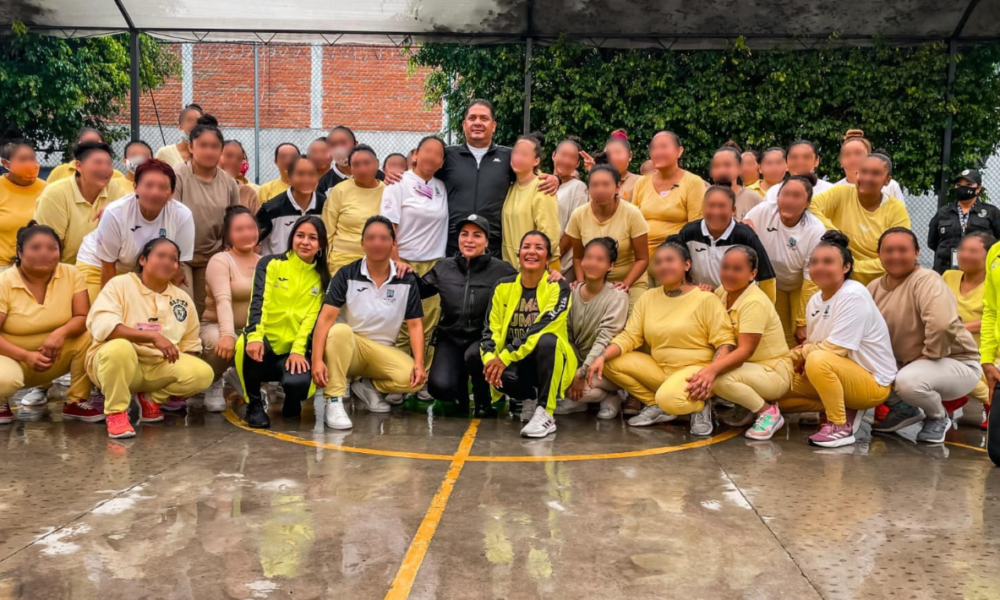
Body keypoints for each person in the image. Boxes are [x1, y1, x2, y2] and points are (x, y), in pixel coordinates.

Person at [588, 241, 735, 435]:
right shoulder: (648, 297)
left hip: (696, 374)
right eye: (658, 262)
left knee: (670, 395)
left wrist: (710, 374)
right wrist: (602, 356)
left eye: (670, 260)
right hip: (660, 370)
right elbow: (630, 336)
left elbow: (725, 343)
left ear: (686, 265)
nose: (663, 266)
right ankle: (657, 405)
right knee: (608, 361)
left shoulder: (705, 298)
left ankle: (700, 405)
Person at [776, 232, 897, 448]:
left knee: (818, 360)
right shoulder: (815, 300)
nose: (819, 267)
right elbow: (814, 345)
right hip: (838, 373)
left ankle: (839, 425)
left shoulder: (853, 294)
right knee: (775, 387)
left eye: (828, 262)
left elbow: (835, 349)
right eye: (814, 262)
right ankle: (832, 406)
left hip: (871, 382)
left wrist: (797, 353)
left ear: (846, 267)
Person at [86, 238, 214, 439]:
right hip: (119, 365)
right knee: (119, 348)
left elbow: (190, 345)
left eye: (173, 259)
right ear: (143, 259)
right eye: (160, 255)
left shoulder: (182, 299)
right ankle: (116, 412)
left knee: (203, 373)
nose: (167, 262)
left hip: (157, 368)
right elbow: (105, 327)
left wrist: (181, 378)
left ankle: (151, 398)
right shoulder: (120, 285)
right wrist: (152, 337)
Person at [312, 216, 426, 429]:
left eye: (383, 238)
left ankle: (368, 386)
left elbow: (415, 325)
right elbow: (325, 320)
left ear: (393, 244)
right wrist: (317, 360)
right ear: (362, 243)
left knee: (415, 379)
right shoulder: (346, 274)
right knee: (339, 330)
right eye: (371, 238)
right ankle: (334, 400)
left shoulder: (406, 279)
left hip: (382, 353)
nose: (377, 243)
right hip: (350, 348)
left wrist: (419, 362)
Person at [868, 228, 981, 443]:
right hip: (909, 365)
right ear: (879, 254)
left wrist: (929, 354)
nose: (895, 256)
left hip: (955, 363)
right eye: (889, 250)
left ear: (917, 252)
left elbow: (941, 325)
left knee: (908, 381)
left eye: (903, 250)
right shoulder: (874, 287)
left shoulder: (926, 280)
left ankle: (937, 416)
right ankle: (903, 408)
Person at [477, 231, 576, 438]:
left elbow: (541, 328)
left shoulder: (558, 287)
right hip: (517, 359)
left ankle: (546, 412)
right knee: (475, 356)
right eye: (526, 246)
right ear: (518, 254)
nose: (531, 251)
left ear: (548, 259)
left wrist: (504, 357)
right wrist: (491, 360)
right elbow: (490, 328)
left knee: (547, 340)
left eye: (539, 248)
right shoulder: (503, 286)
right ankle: (528, 398)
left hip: (550, 359)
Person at [689, 246, 793, 440]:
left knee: (717, 379)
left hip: (772, 372)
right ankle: (748, 407)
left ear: (752, 274)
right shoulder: (723, 292)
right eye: (725, 267)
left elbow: (745, 351)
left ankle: (768, 412)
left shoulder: (754, 302)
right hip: (750, 369)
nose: (729, 274)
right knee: (711, 371)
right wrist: (706, 294)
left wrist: (711, 371)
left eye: (737, 269)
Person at [436, 100, 559, 259]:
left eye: (484, 118)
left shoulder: (508, 156)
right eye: (472, 118)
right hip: (453, 248)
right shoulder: (447, 156)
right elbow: (421, 173)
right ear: (464, 124)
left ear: (493, 126)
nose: (478, 122)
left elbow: (530, 174)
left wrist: (556, 179)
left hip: (495, 252)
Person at [0, 224, 97, 425]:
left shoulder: (71, 274)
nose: (45, 253)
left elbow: (82, 316)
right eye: (35, 248)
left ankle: (76, 401)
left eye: (52, 248)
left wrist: (59, 334)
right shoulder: (5, 282)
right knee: (4, 380)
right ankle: (1, 401)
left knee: (90, 334)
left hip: (53, 357)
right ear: (20, 251)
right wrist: (26, 356)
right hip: (12, 358)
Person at [422, 216, 517, 416]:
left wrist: (551, 277)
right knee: (440, 387)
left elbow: (529, 286)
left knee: (474, 355)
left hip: (482, 338)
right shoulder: (444, 267)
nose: (469, 240)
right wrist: (401, 272)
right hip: (450, 337)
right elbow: (419, 289)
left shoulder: (503, 270)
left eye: (477, 235)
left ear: (487, 241)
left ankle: (484, 402)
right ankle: (460, 394)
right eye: (464, 234)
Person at [237, 216, 327, 429]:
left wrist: (297, 351)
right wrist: (256, 336)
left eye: (312, 238)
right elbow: (259, 302)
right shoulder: (271, 264)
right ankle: (254, 404)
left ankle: (292, 398)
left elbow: (311, 320)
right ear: (292, 238)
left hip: (291, 350)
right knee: (244, 343)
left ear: (321, 244)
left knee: (299, 384)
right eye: (300, 235)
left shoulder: (321, 278)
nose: (305, 242)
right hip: (265, 342)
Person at [75, 159, 195, 302]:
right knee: (97, 316)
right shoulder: (115, 213)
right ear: (135, 187)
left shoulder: (182, 215)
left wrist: (162, 302)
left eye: (162, 187)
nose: (155, 192)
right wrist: (111, 307)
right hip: (99, 265)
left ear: (171, 193)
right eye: (148, 185)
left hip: (144, 271)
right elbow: (108, 266)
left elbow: (177, 265)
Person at [380, 136, 447, 380]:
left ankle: (422, 378)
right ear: (416, 154)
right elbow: (388, 227)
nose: (431, 157)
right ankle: (396, 378)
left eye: (437, 154)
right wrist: (396, 260)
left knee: (428, 325)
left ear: (441, 162)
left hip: (434, 265)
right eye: (427, 151)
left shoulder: (441, 187)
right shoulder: (397, 183)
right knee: (400, 327)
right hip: (403, 262)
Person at [743, 175, 827, 346]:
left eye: (796, 196)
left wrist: (802, 321)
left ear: (808, 203)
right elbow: (741, 240)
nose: (789, 200)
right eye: (785, 194)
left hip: (800, 285)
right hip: (770, 282)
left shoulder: (815, 229)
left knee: (801, 334)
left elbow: (811, 279)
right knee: (775, 334)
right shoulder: (762, 211)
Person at [172, 115, 241, 315]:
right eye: (203, 145)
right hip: (181, 258)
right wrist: (174, 262)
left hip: (212, 257)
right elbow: (170, 218)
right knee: (182, 306)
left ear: (221, 150)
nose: (209, 151)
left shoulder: (229, 183)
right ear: (191, 147)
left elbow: (234, 222)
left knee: (202, 310)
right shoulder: (178, 176)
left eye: (214, 146)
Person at [554, 238, 628, 419]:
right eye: (588, 257)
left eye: (600, 259)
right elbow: (566, 334)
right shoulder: (571, 292)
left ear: (610, 266)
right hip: (578, 362)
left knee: (578, 389)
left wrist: (582, 372)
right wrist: (572, 369)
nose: (592, 263)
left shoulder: (617, 296)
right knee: (559, 383)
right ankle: (581, 403)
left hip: (605, 365)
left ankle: (612, 396)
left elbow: (605, 338)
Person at [809, 154, 911, 284]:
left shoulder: (896, 210)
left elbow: (897, 257)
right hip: (837, 279)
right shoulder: (841, 193)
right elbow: (810, 205)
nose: (867, 178)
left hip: (880, 284)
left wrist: (850, 265)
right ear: (857, 173)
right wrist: (835, 234)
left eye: (875, 173)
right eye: (863, 172)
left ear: (887, 180)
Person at [562, 162, 649, 309]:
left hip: (630, 283)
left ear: (617, 187)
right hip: (592, 283)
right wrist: (582, 282)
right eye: (594, 185)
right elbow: (578, 256)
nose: (600, 189)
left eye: (606, 184)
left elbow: (642, 259)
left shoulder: (632, 214)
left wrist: (625, 284)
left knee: (631, 325)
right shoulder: (579, 214)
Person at [199, 206, 260, 412]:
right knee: (221, 340)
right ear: (228, 235)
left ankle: (238, 373)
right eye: (239, 229)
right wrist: (227, 334)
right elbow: (223, 299)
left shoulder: (265, 262)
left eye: (251, 228)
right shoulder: (220, 260)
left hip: (250, 331)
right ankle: (214, 379)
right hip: (217, 327)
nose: (247, 234)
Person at [671, 185, 777, 300]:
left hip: (738, 301)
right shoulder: (689, 233)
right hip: (700, 299)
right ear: (702, 208)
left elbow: (767, 277)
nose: (716, 212)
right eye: (711, 206)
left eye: (722, 206)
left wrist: (767, 307)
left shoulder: (745, 236)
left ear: (733, 210)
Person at [33, 141, 127, 265]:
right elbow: (49, 247)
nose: (105, 168)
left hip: (100, 267)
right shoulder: (56, 193)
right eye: (98, 163)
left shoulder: (115, 189)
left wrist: (113, 209)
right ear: (79, 166)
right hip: (62, 268)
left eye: (109, 164)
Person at [631, 131, 705, 280]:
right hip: (640, 255)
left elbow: (695, 227)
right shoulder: (642, 182)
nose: (658, 152)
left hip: (672, 256)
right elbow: (632, 220)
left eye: (664, 147)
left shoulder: (693, 182)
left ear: (679, 151)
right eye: (654, 148)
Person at [943, 232, 994, 428]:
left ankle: (991, 406)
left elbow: (993, 318)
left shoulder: (994, 281)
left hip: (983, 348)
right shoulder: (949, 276)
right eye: (962, 249)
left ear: (989, 255)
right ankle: (952, 399)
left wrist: (959, 328)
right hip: (950, 345)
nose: (965, 254)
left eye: (973, 251)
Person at [501, 134, 561, 271]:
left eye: (524, 154)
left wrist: (537, 263)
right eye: (515, 152)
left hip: (539, 268)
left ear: (536, 161)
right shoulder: (511, 187)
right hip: (512, 267)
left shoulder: (542, 187)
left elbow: (550, 234)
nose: (518, 158)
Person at [322, 145, 384, 274]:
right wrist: (325, 263)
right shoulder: (340, 190)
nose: (362, 169)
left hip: (378, 260)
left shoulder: (389, 191)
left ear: (377, 163)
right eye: (356, 164)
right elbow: (327, 230)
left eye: (367, 163)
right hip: (342, 260)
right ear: (350, 168)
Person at [928, 168, 1000, 274]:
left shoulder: (991, 212)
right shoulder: (943, 212)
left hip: (980, 272)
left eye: (968, 184)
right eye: (958, 185)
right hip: (945, 271)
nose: (962, 188)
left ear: (978, 188)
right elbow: (932, 242)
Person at [258, 155, 325, 256]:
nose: (306, 179)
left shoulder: (326, 205)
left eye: (311, 174)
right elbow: (254, 242)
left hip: (313, 269)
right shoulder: (271, 209)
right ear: (289, 177)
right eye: (300, 174)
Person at [0, 141, 46, 268]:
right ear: (5, 163)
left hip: (37, 265)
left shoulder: (48, 190)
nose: (30, 163)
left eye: (32, 158)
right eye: (22, 159)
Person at [552, 138, 589, 279]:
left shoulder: (578, 188)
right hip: (536, 258)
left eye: (572, 157)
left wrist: (551, 257)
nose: (566, 161)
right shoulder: (541, 182)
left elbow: (573, 229)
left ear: (577, 163)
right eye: (563, 155)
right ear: (554, 155)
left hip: (562, 262)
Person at [834, 129, 905, 203]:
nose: (853, 159)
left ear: (870, 157)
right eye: (847, 154)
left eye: (858, 153)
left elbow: (901, 213)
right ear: (841, 161)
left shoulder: (889, 186)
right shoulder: (833, 190)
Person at [317, 125, 386, 194]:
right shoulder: (324, 184)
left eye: (343, 142)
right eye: (333, 144)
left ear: (355, 144)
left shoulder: (378, 176)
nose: (339, 148)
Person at [763, 141, 835, 202]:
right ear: (786, 162)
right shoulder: (774, 192)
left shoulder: (831, 191)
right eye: (794, 157)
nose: (800, 162)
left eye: (806, 157)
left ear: (816, 161)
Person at [47, 128, 127, 182]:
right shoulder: (59, 171)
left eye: (95, 142)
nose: (91, 147)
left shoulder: (115, 175)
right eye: (87, 143)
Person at [582, 130, 640, 202]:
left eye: (618, 152)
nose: (613, 158)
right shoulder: (597, 182)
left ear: (630, 156)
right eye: (608, 154)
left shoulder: (639, 181)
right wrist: (593, 171)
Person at [710, 142, 764, 221]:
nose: (721, 170)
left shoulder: (754, 199)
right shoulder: (702, 195)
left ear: (739, 168)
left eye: (727, 165)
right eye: (716, 166)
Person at [219, 140, 261, 212]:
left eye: (239, 159)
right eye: (229, 155)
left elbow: (258, 222)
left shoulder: (248, 193)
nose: (234, 162)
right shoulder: (204, 188)